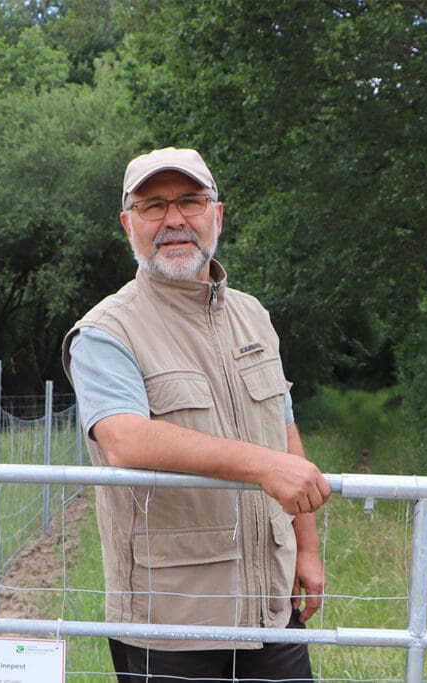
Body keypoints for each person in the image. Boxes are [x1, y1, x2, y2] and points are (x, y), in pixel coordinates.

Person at [62, 147, 331, 682]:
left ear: (217, 214)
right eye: (153, 206)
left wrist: (307, 547)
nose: (175, 220)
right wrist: (261, 466)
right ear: (127, 224)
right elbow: (126, 442)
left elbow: (284, 431)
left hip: (271, 609)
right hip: (170, 620)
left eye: (190, 201)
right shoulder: (105, 331)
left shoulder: (254, 315)